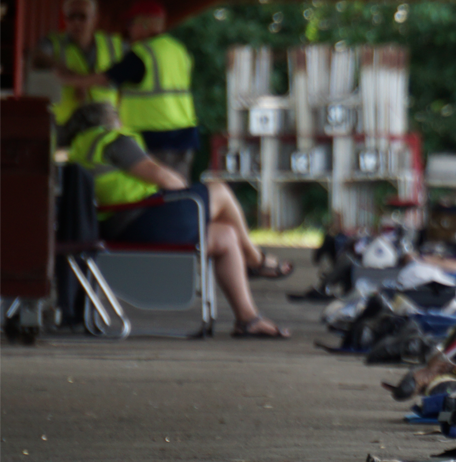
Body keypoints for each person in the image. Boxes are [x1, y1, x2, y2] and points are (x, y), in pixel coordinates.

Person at [63, 102, 291, 338]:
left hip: (115, 228)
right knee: (220, 191)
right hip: (141, 223)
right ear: (109, 120)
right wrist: (183, 191)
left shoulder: (80, 148)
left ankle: (248, 319)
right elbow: (163, 177)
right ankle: (255, 259)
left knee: (225, 236)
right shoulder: (112, 140)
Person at [58, 0, 198, 178]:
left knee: (156, 190)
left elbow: (106, 79)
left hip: (154, 137)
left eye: (131, 23)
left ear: (145, 24)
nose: (128, 29)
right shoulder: (178, 49)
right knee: (178, 188)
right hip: (184, 135)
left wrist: (67, 79)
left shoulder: (143, 53)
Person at [30, 0, 126, 129]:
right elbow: (36, 58)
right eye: (71, 17)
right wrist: (65, 71)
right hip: (66, 123)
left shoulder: (114, 45)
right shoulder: (54, 43)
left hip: (105, 121)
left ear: (95, 18)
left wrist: (76, 80)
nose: (76, 22)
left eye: (82, 16)